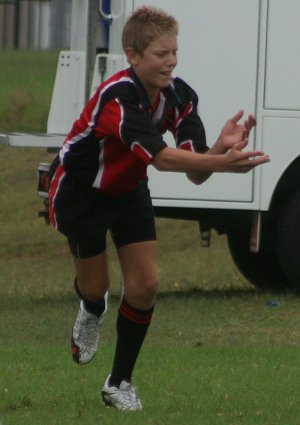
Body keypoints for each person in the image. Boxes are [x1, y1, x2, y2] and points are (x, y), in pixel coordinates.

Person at [48, 5, 270, 412]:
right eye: (160, 54)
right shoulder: (118, 96)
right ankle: (92, 308)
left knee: (146, 284)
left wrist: (220, 147)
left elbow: (194, 171)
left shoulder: (180, 97)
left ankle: (118, 383)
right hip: (81, 192)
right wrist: (222, 162)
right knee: (96, 287)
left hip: (130, 190)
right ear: (133, 56)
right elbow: (162, 157)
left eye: (174, 52)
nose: (171, 62)